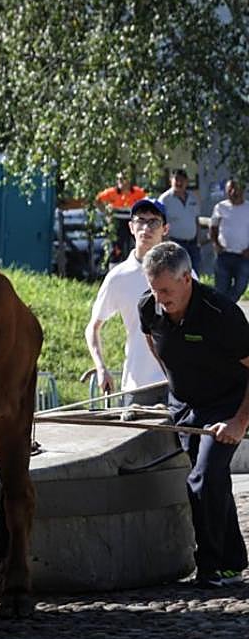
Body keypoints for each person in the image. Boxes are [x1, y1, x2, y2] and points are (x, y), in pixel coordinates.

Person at [140, 240, 249, 588]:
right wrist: (175, 381)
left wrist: (239, 421)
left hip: (227, 403)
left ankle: (210, 567)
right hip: (184, 404)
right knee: (212, 479)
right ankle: (234, 561)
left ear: (187, 278)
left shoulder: (222, 314)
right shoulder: (149, 307)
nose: (160, 299)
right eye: (154, 290)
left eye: (167, 290)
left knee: (202, 478)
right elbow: (152, 340)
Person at [86, 198, 171, 403]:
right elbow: (93, 328)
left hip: (178, 384)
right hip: (137, 385)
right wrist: (101, 368)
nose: (146, 228)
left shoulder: (180, 270)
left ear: (165, 229)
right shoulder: (119, 276)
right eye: (140, 221)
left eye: (154, 222)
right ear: (131, 227)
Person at [211, 178, 249, 302]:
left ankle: (225, 307)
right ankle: (223, 313)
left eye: (236, 189)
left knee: (240, 287)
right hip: (224, 255)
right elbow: (213, 227)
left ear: (242, 190)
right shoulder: (220, 207)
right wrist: (216, 244)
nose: (233, 192)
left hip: (243, 256)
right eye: (229, 189)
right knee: (220, 289)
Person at [158, 168, 202, 271]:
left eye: (182, 180)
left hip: (193, 243)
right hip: (175, 243)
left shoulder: (193, 198)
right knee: (177, 273)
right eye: (176, 179)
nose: (179, 182)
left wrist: (199, 240)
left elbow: (196, 220)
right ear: (171, 180)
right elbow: (160, 223)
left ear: (187, 182)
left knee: (195, 273)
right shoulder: (164, 199)